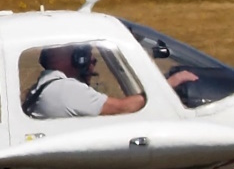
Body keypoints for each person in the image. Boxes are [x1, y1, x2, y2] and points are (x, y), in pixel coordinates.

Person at [24, 45, 197, 118]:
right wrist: (170, 83)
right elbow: (123, 108)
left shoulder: (44, 87)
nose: (92, 60)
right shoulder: (66, 90)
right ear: (77, 59)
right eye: (85, 54)